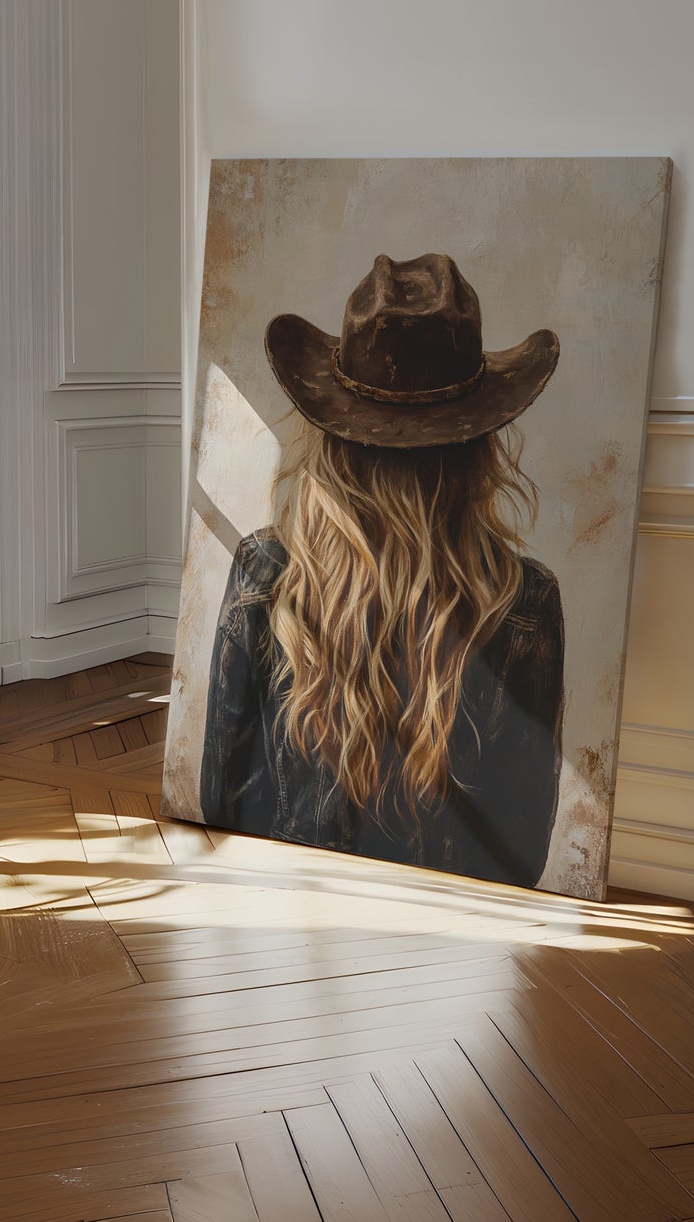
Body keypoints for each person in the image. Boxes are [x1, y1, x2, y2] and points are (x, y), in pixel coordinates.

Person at [200, 252, 564, 888]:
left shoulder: (265, 574)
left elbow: (222, 802)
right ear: (479, 445)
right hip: (455, 956)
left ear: (332, 435)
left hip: (282, 932)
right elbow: (522, 850)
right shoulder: (525, 602)